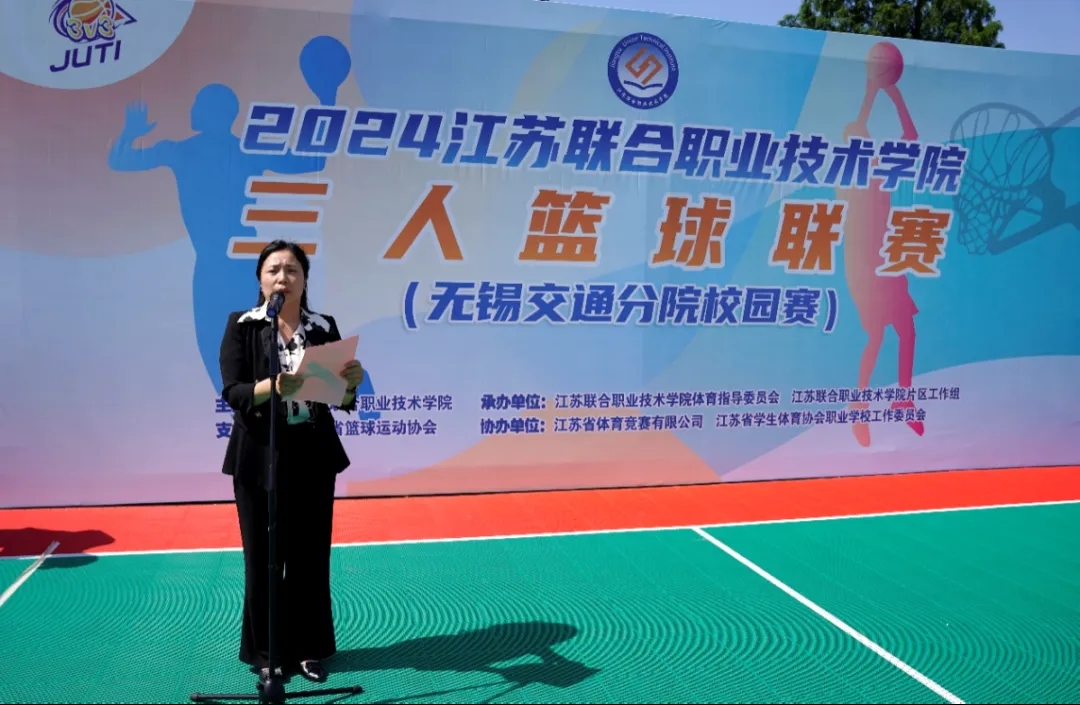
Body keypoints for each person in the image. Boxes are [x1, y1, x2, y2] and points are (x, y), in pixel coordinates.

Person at [217, 240, 365, 683]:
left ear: (305, 279)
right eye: (274, 270)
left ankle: (309, 649)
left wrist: (351, 384)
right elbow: (233, 391)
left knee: (309, 557)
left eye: (292, 270)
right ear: (261, 280)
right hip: (258, 457)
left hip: (313, 454)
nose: (283, 277)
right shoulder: (243, 326)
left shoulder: (323, 326)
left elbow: (341, 399)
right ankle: (267, 653)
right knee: (263, 559)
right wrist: (273, 387)